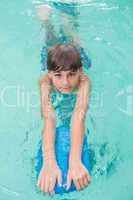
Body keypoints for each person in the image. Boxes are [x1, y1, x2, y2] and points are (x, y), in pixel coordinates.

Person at [35, 3, 92, 195]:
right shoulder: (45, 82)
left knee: (73, 36)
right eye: (58, 76)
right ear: (50, 74)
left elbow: (79, 115)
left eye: (71, 75)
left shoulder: (84, 81)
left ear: (79, 72)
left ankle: (68, 17)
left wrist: (75, 160)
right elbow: (49, 118)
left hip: (75, 55)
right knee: (50, 39)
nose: (66, 83)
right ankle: (47, 22)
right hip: (54, 57)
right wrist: (49, 160)